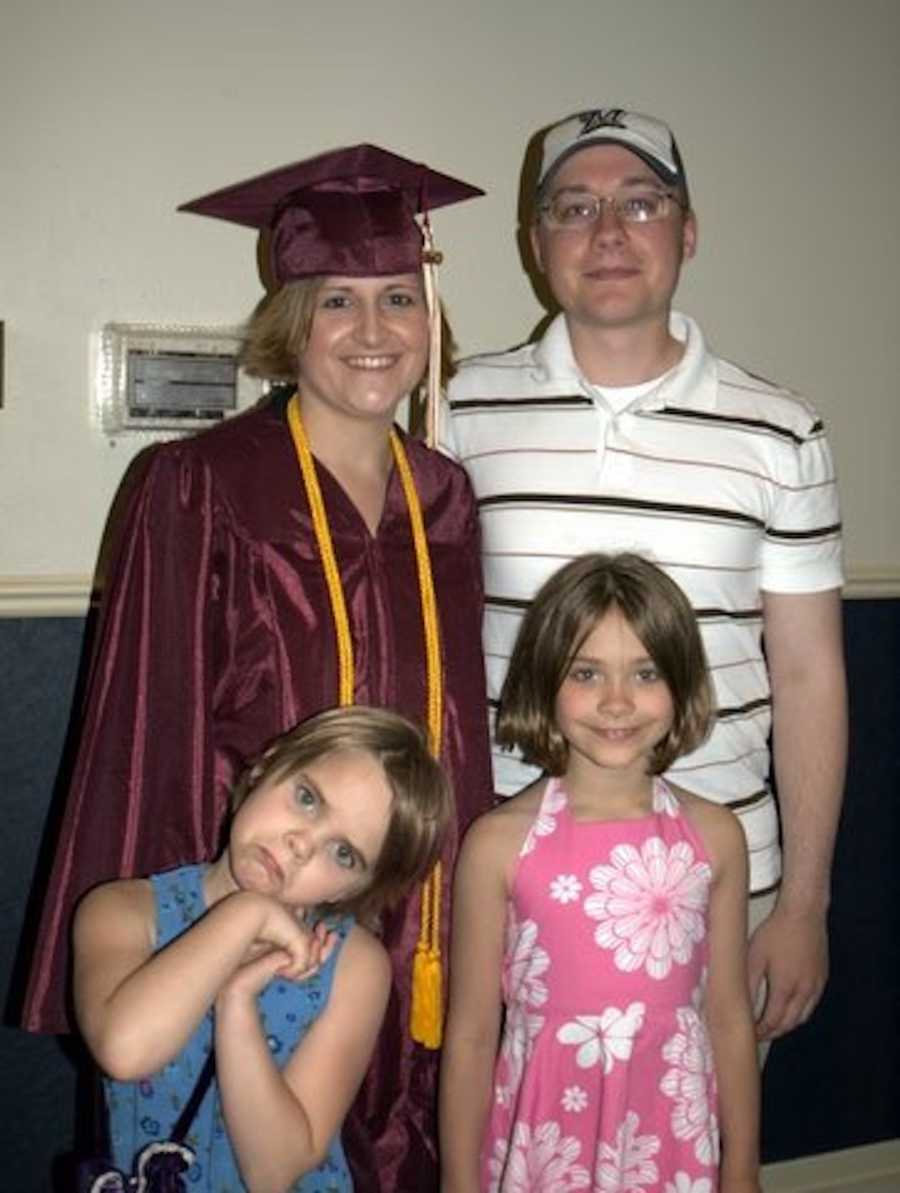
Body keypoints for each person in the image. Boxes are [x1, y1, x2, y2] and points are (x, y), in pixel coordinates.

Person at [25, 143, 494, 1192]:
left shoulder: (448, 497)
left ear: (432, 318)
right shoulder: (197, 481)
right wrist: (209, 931)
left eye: (398, 298)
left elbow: (458, 722)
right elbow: (153, 734)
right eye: (338, 300)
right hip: (247, 885)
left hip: (396, 899)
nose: (373, 332)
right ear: (292, 320)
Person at [445, 107, 847, 1043]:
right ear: (536, 241)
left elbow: (809, 676)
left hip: (720, 888)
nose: (610, 231)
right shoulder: (458, 410)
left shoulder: (781, 432)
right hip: (519, 879)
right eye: (574, 208)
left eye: (641, 202)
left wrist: (803, 904)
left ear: (688, 230)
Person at [440, 552, 760, 1193]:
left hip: (669, 1137)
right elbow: (472, 1035)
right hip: (545, 1139)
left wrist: (743, 1169)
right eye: (587, 673)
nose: (617, 702)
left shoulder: (715, 839)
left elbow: (727, 1016)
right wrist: (457, 1180)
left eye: (645, 673)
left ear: (681, 682)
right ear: (544, 680)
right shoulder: (498, 845)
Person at [75, 705, 452, 1192]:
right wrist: (245, 914)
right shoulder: (123, 912)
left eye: (343, 853)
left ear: (352, 889)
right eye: (307, 798)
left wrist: (237, 1004)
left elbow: (274, 1171)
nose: (301, 843)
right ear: (266, 766)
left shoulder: (355, 966)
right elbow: (126, 1050)